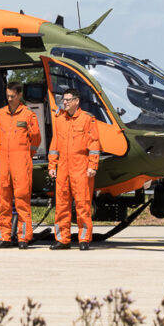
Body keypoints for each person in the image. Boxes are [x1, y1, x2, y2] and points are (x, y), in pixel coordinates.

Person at [48, 88, 101, 251]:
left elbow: (94, 144)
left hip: (81, 166)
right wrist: (52, 165)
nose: (65, 102)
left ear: (76, 101)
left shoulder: (87, 119)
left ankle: (84, 239)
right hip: (63, 167)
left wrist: (92, 165)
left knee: (82, 204)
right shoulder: (60, 119)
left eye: (68, 100)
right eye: (64, 100)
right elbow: (54, 144)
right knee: (62, 205)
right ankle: (62, 240)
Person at [0, 82, 41, 249]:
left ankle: (24, 238)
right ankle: (4, 238)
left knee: (22, 200)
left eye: (13, 96)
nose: (10, 99)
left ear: (20, 95)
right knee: (4, 200)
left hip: (21, 160)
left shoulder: (28, 115)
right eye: (8, 96)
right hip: (3, 161)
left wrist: (27, 155)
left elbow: (36, 138)